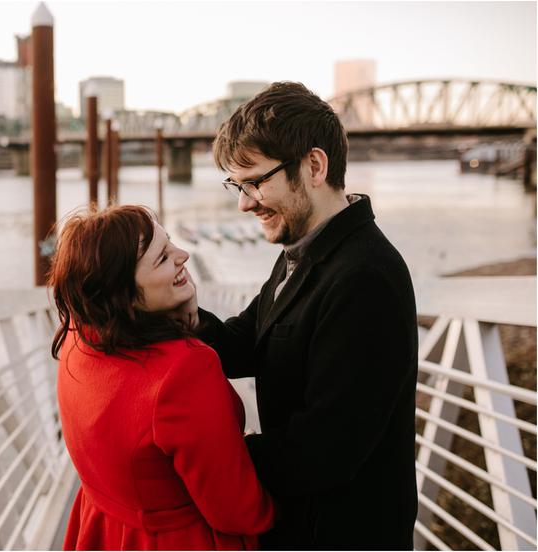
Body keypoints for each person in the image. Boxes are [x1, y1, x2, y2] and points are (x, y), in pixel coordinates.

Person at [189, 82, 419, 550]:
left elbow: (326, 449)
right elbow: (246, 341)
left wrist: (213, 454)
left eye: (255, 181)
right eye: (237, 184)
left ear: (314, 166)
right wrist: (173, 315)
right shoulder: (305, 248)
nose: (244, 203)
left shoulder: (366, 277)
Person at [49, 205, 276, 550]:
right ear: (122, 294)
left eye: (170, 243)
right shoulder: (185, 369)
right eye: (162, 259)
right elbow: (239, 511)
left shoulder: (76, 339)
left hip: (106, 531)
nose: (183, 255)